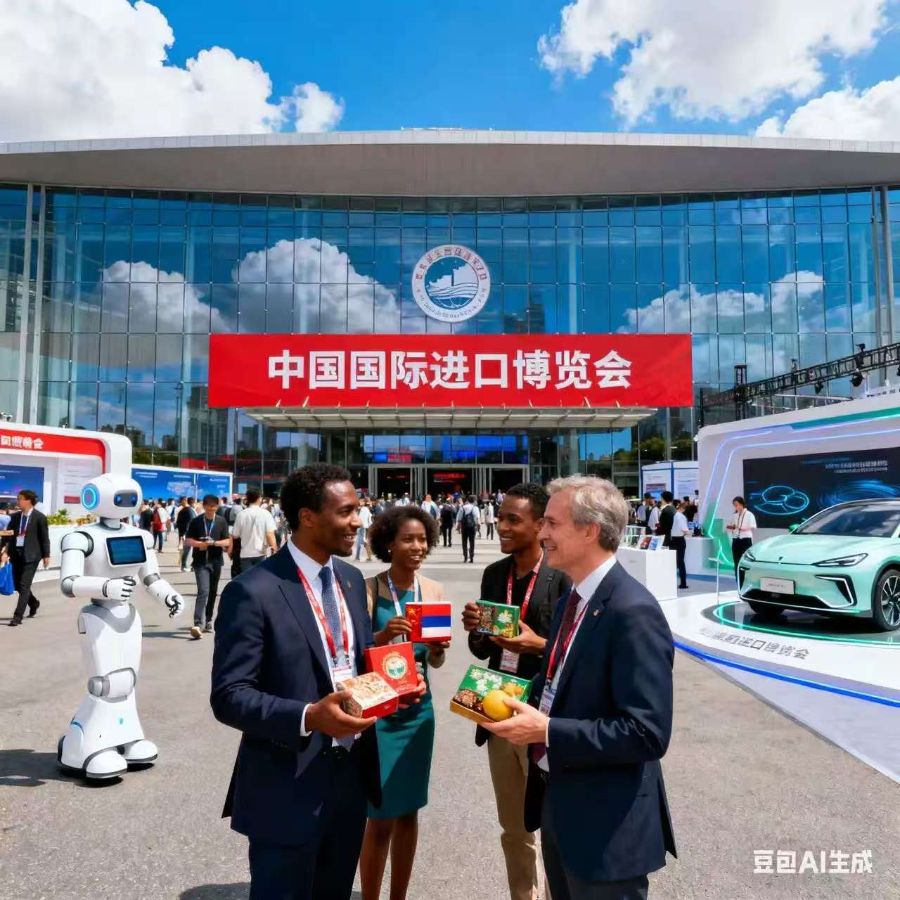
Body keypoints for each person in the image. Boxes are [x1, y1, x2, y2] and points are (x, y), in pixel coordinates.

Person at [212, 464, 419, 900]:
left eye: (357, 510)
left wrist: (391, 689)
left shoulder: (349, 579)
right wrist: (309, 716)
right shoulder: (253, 590)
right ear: (307, 517)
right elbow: (230, 695)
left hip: (350, 779)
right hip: (287, 783)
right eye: (346, 512)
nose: (358, 522)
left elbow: (358, 659)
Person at [483, 475, 677, 900]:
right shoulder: (574, 598)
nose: (542, 534)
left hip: (607, 829)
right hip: (561, 806)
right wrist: (511, 699)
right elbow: (556, 681)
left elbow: (647, 732)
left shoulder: (632, 611)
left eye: (552, 523)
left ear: (590, 530)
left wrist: (547, 730)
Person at [462, 484, 570, 900]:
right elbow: (482, 648)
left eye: (512, 519)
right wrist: (476, 628)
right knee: (513, 827)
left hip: (541, 716)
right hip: (497, 710)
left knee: (553, 824)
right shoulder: (495, 574)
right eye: (500, 517)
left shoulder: (562, 577)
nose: (501, 526)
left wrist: (536, 645)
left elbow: (574, 650)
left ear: (540, 525)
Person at [359, 506, 448, 900]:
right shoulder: (368, 589)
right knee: (379, 816)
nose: (417, 547)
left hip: (418, 712)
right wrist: (382, 636)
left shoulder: (433, 590)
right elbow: (354, 653)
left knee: (410, 812)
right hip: (380, 712)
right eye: (408, 539)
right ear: (389, 544)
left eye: (422, 539)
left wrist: (437, 648)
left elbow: (435, 660)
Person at [185, 495, 232, 639]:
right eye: (209, 507)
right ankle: (198, 623)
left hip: (216, 561)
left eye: (214, 507)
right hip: (200, 562)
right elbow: (188, 540)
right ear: (204, 506)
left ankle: (209, 620)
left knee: (213, 591)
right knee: (203, 591)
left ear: (217, 507)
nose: (211, 509)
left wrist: (214, 543)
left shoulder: (221, 521)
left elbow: (227, 541)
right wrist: (200, 544)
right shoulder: (196, 521)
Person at [2, 489, 51, 626]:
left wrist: (46, 555)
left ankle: (17, 617)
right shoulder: (15, 517)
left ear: (28, 501)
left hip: (32, 555)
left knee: (24, 585)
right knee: (18, 585)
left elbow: (44, 538)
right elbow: (8, 535)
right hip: (16, 554)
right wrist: (3, 551)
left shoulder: (40, 517)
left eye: (20, 499)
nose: (17, 501)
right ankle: (33, 603)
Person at [231, 488, 277, 572]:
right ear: (259, 498)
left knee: (247, 578)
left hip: (245, 554)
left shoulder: (241, 514)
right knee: (260, 578)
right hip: (261, 553)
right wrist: (274, 548)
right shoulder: (265, 514)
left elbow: (235, 535)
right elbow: (270, 534)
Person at [726, 496, 757, 578]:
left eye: (737, 505)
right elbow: (732, 525)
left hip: (745, 540)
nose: (736, 507)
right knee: (736, 561)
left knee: (746, 561)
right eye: (734, 505)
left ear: (742, 504)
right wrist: (731, 527)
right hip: (736, 539)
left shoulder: (749, 514)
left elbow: (753, 526)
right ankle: (738, 579)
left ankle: (746, 579)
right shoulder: (735, 515)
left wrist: (741, 528)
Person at [670, 501, 690, 590]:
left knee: (673, 562)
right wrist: (689, 533)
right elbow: (684, 529)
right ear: (683, 509)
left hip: (672, 540)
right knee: (681, 562)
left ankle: (671, 583)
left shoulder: (673, 515)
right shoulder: (681, 517)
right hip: (679, 540)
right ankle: (683, 583)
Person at [457, 495, 480, 564]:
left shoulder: (463, 507)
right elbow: (477, 518)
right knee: (472, 542)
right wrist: (478, 526)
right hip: (472, 527)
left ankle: (465, 557)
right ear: (474, 501)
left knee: (464, 541)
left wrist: (458, 526)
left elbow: (459, 518)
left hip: (464, 526)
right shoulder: (475, 508)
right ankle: (471, 557)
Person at [175, 497, 195, 571]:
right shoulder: (187, 510)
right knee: (187, 549)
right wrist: (182, 534)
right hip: (188, 533)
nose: (180, 503)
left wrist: (182, 534)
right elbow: (187, 523)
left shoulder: (186, 510)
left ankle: (188, 565)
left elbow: (182, 523)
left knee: (188, 549)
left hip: (187, 533)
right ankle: (185, 565)